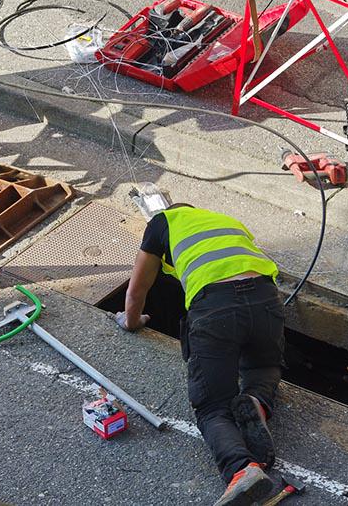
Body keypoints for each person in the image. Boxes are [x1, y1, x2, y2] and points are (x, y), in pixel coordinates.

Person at [116, 203, 284, 506]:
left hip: (215, 305)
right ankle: (257, 401)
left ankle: (241, 469)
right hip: (266, 296)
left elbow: (137, 290)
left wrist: (131, 321)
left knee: (212, 407)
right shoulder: (225, 219)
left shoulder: (162, 221)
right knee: (264, 366)